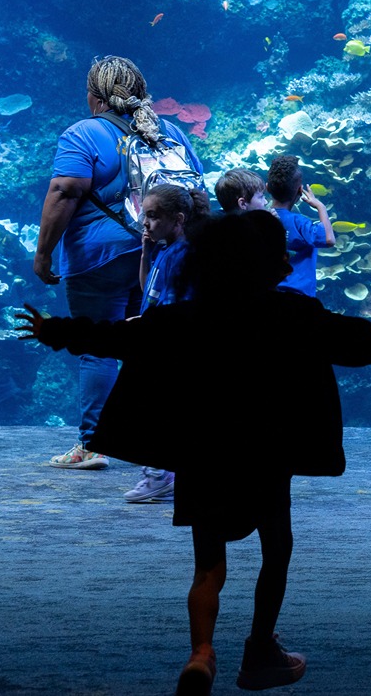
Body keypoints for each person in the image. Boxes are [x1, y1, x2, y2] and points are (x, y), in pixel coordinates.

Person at [14, 211, 371, 693]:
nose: (285, 259)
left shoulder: (181, 318)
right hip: (267, 452)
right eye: (278, 252)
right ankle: (260, 651)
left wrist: (56, 331)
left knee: (207, 565)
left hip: (202, 451)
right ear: (262, 263)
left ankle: (201, 654)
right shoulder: (296, 314)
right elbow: (364, 341)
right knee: (276, 550)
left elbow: (116, 337)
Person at [33, 55, 202, 471]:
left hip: (101, 258)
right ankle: (162, 436)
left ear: (94, 96)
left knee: (100, 348)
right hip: (163, 256)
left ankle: (93, 444)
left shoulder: (85, 133)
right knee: (154, 345)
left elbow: (64, 191)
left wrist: (43, 253)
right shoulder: (171, 132)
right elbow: (197, 194)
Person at [123, 184, 210, 504]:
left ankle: (158, 475)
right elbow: (149, 290)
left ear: (179, 219)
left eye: (154, 216)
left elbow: (178, 306)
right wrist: (146, 252)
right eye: (145, 215)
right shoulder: (165, 250)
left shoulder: (184, 254)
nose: (146, 223)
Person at [264, 155, 334, 298]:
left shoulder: (259, 219)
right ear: (300, 191)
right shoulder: (300, 223)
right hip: (300, 296)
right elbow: (329, 240)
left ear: (267, 188)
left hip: (268, 293)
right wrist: (321, 207)